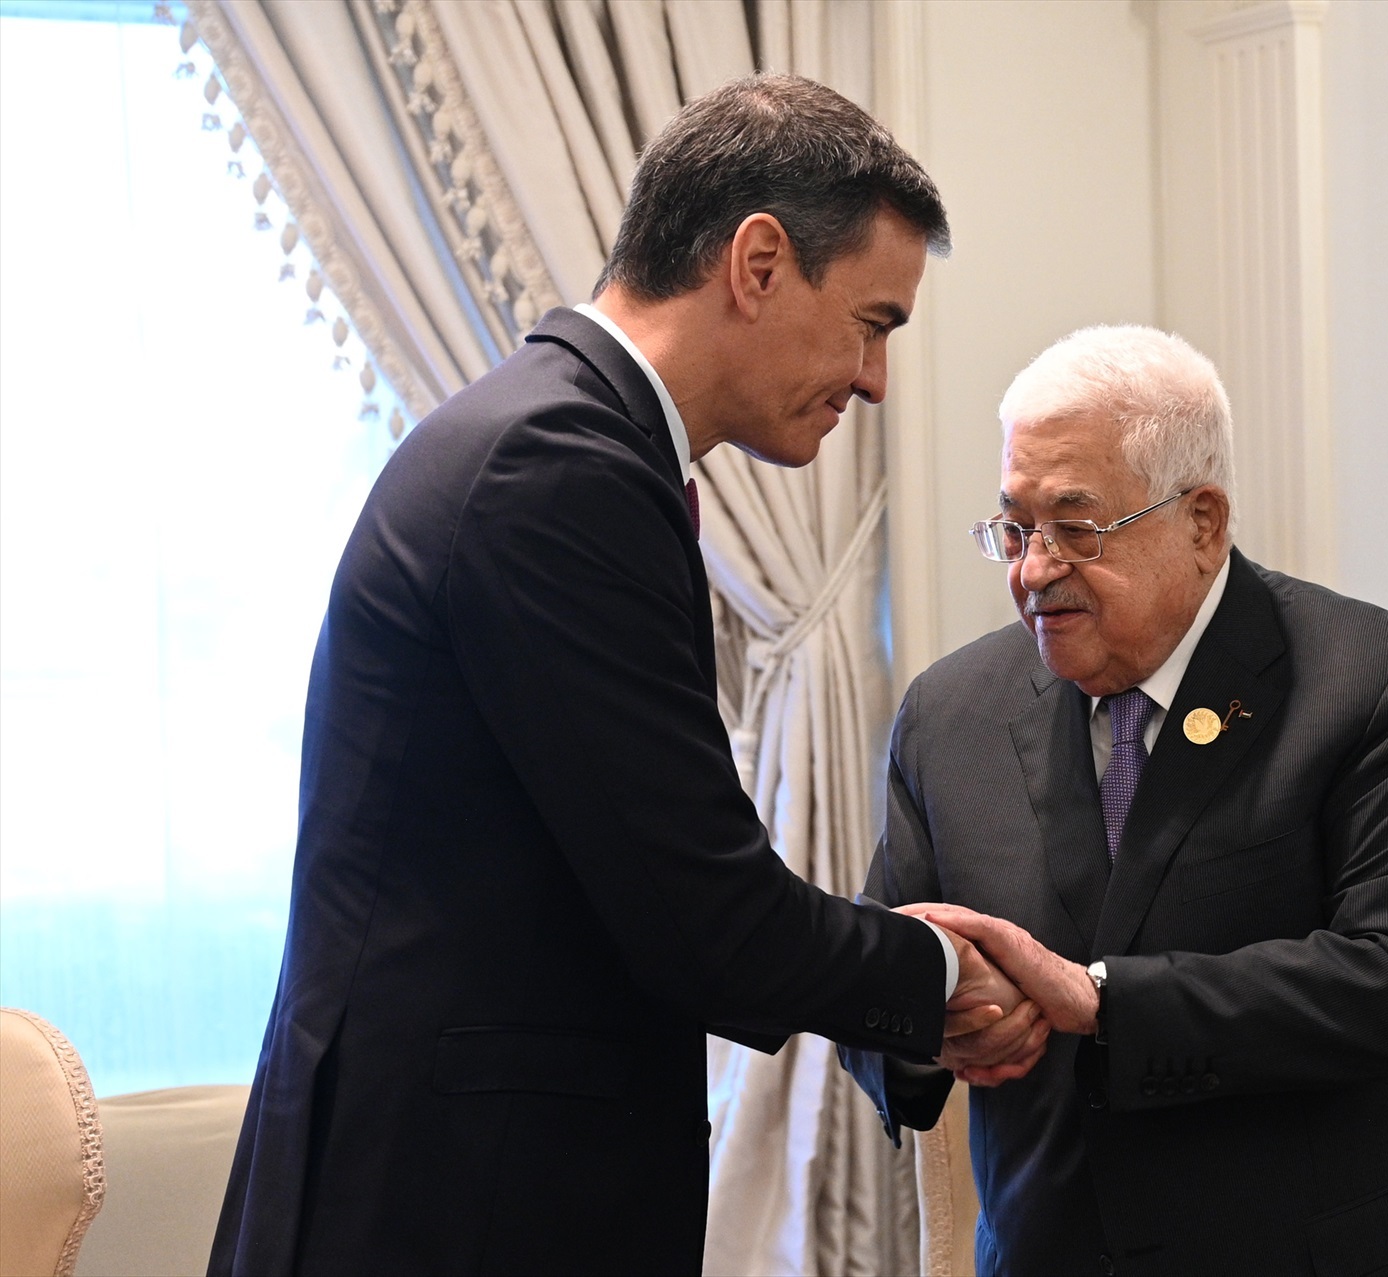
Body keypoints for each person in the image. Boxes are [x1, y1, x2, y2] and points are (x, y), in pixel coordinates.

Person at [209, 75, 1028, 1277]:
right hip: (451, 1212)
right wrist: (943, 971)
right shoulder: (558, 471)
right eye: (872, 322)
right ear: (759, 263)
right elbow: (708, 919)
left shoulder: (560, 439)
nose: (874, 380)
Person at [840, 326, 1388, 1276]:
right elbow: (879, 976)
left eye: (1075, 529)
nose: (1033, 570)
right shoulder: (951, 715)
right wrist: (934, 1012)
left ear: (1202, 522)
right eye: (1015, 529)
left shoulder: (1369, 681)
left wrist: (1100, 999)